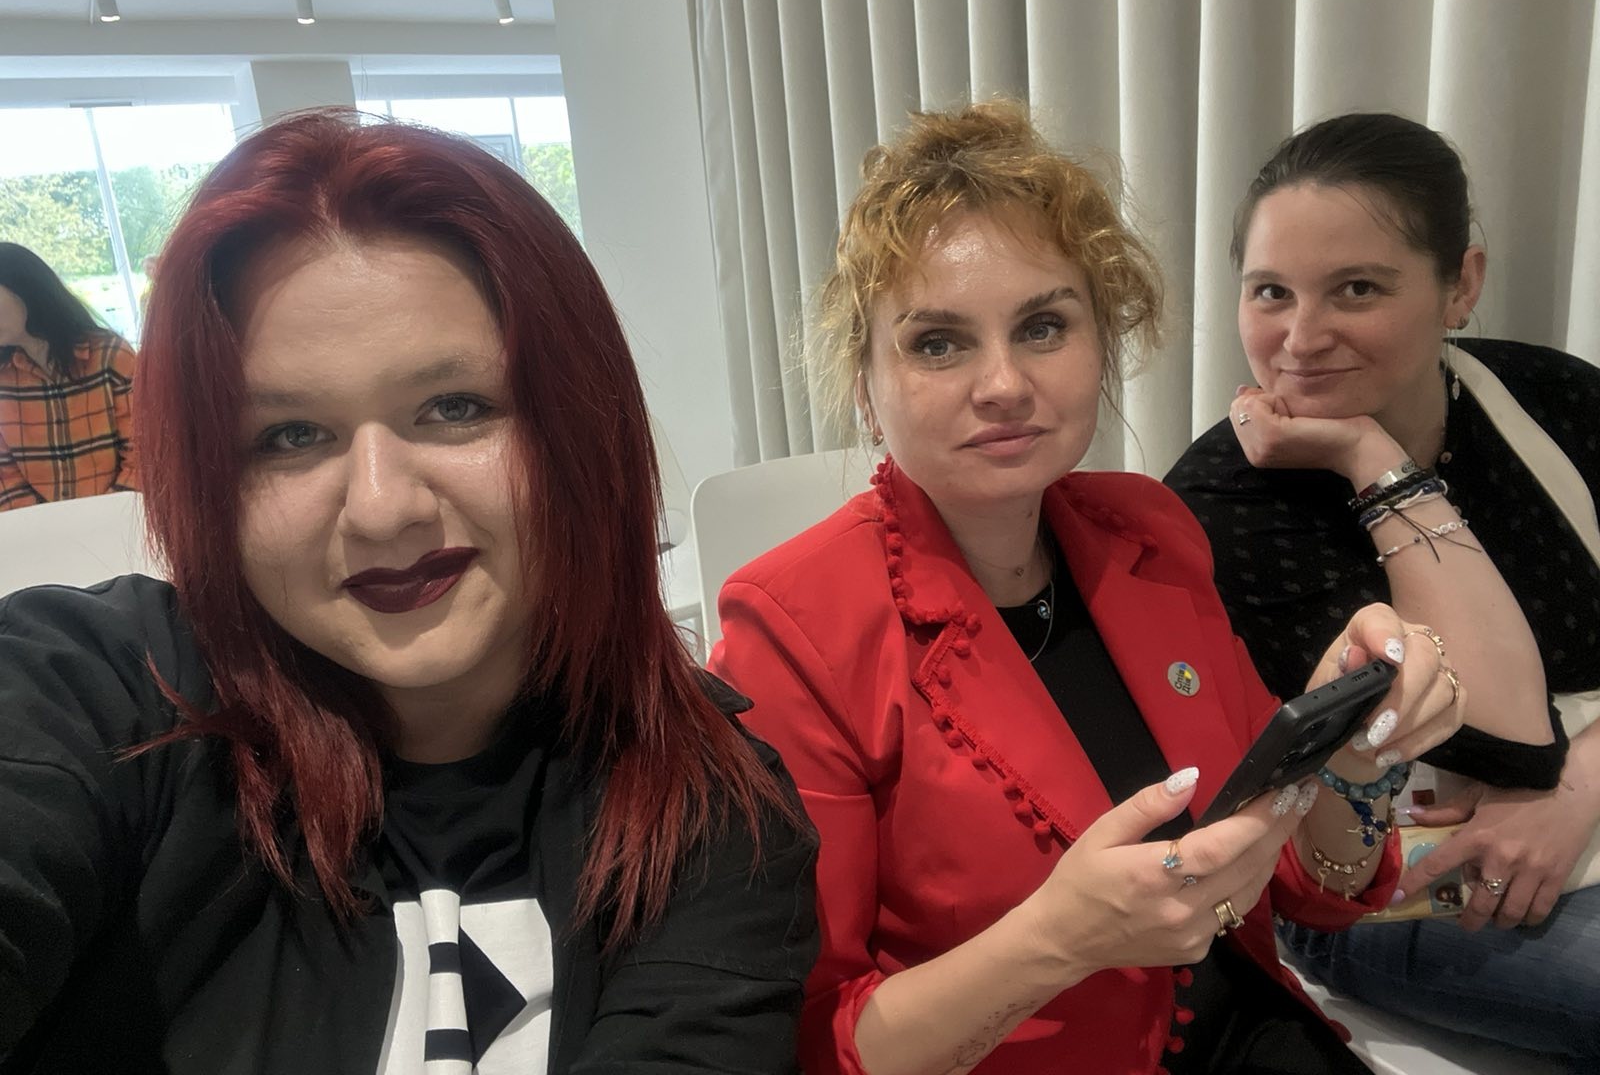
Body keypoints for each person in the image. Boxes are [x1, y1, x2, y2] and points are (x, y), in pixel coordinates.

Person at [0, 111, 818, 1073]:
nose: (383, 510)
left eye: (455, 407)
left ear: (579, 432)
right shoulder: (95, 693)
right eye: (290, 436)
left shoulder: (706, 812)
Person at [709, 100, 1464, 1075]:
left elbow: (1303, 884)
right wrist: (1057, 942)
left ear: (1101, 343)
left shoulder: (1147, 533)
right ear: (864, 383)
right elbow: (811, 1041)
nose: (1002, 384)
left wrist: (1354, 761)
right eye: (937, 342)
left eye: (1042, 327)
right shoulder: (791, 627)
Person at [1165, 111, 1600, 1062]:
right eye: (1271, 292)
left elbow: (1548, 777)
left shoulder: (1556, 400)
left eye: (1356, 288)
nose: (1301, 338)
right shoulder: (1222, 506)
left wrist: (1586, 783)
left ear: (1461, 285)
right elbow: (1504, 740)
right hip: (1386, 882)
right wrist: (1372, 460)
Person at [0, 242, 138, 509]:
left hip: (120, 517)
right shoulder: (4, 380)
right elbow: (5, 477)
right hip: (38, 528)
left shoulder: (111, 357)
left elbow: (144, 455)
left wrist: (103, 516)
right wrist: (45, 523)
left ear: (24, 288)